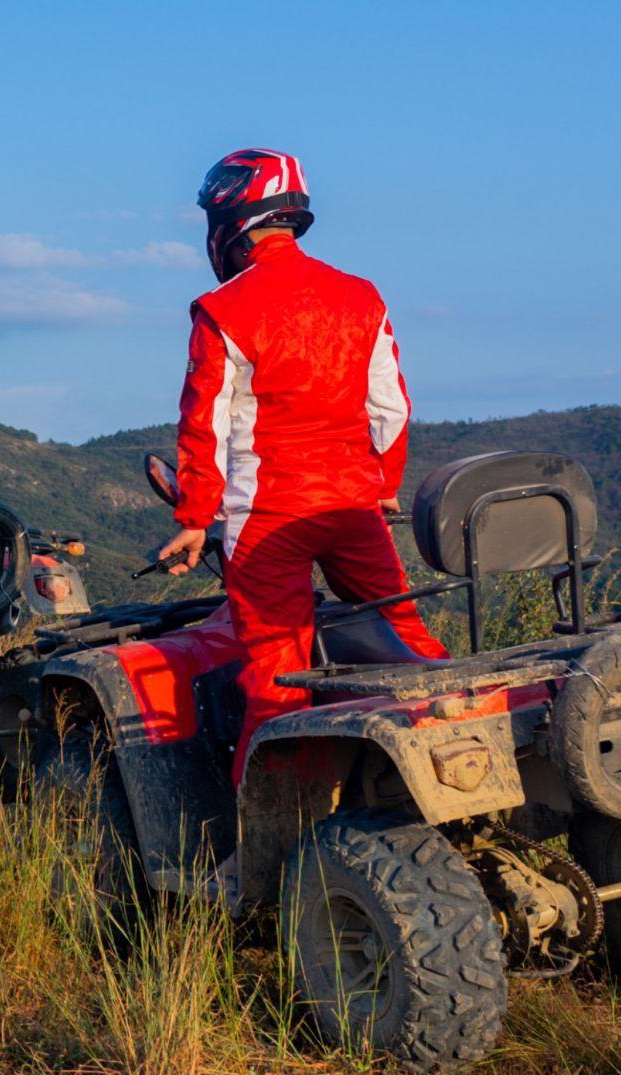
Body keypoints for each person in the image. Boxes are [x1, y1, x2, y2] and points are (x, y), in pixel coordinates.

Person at [155, 147, 449, 781]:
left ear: (231, 220)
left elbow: (203, 426)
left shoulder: (223, 309)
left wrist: (192, 516)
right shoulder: (360, 295)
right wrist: (384, 485)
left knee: (276, 679)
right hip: (352, 507)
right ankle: (456, 752)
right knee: (411, 644)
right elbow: (391, 408)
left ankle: (269, 853)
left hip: (267, 522)